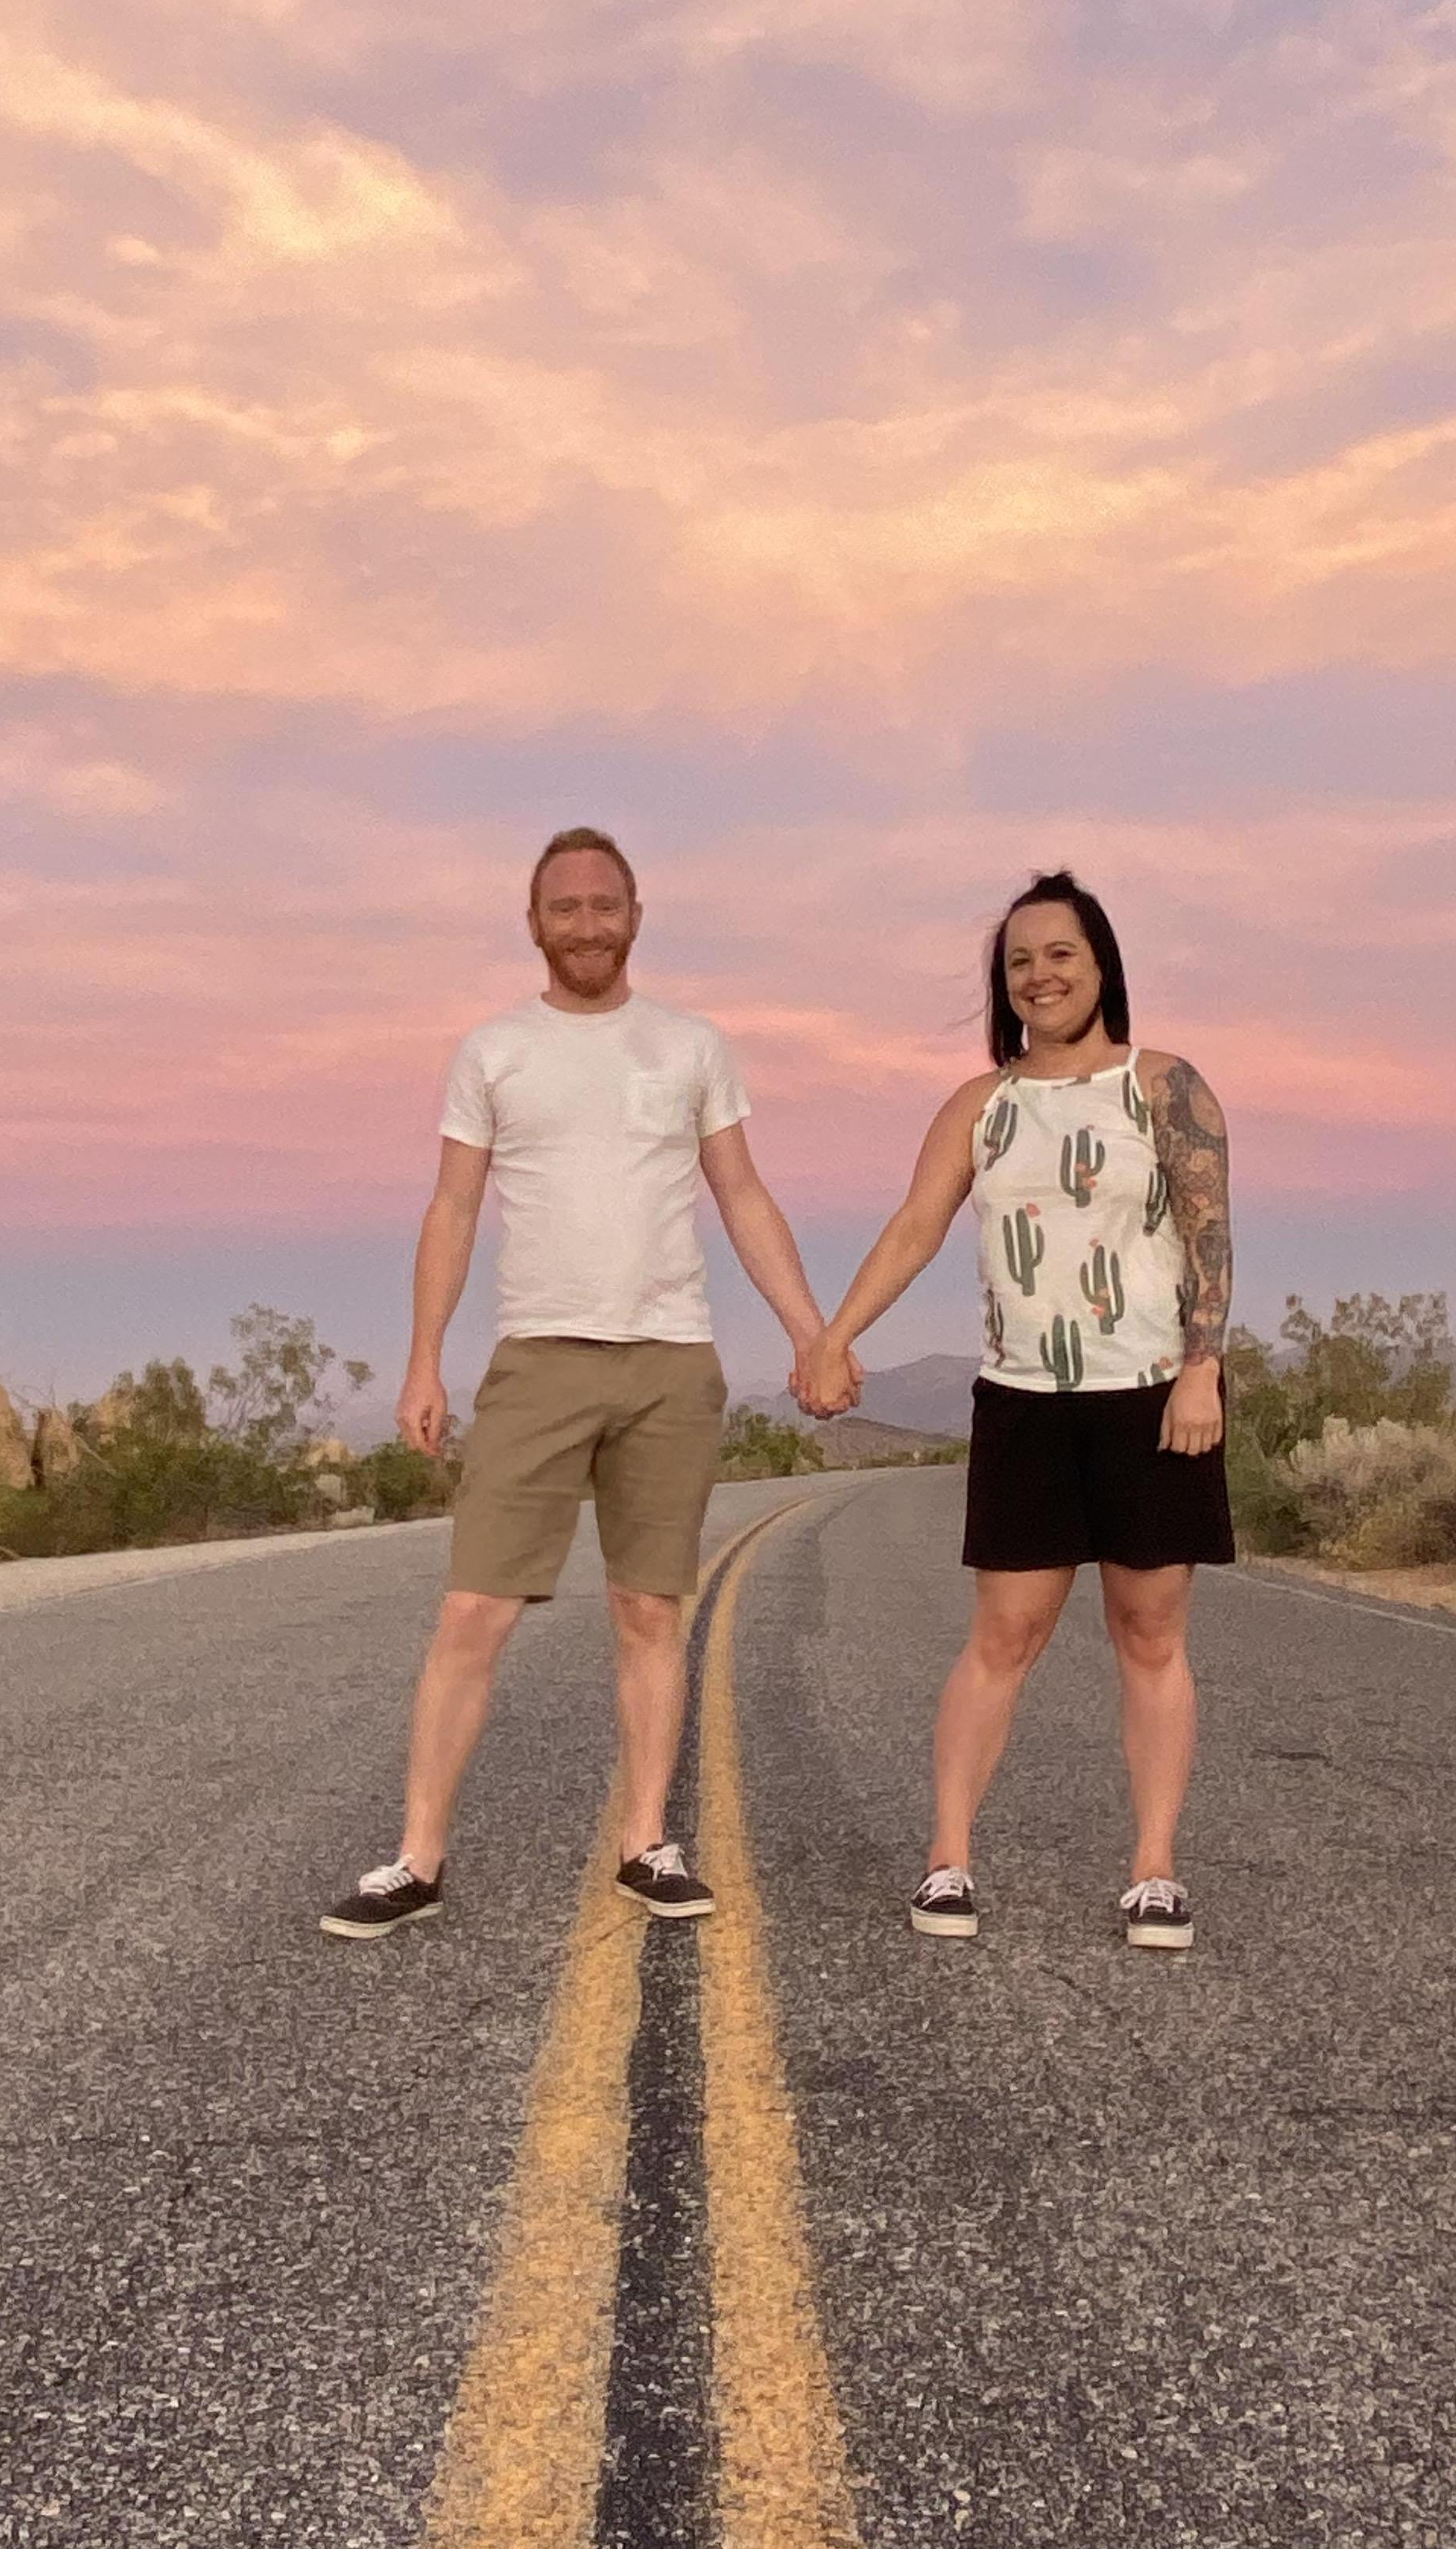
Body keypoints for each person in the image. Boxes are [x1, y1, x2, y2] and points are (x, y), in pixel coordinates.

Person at [320, 827, 843, 1940]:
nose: (589, 924)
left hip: (669, 1359)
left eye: (608, 905)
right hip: (538, 1358)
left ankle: (645, 1843)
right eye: (568, 907)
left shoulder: (691, 1046)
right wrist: (427, 1356)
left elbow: (743, 1194)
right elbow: (453, 1207)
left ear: (637, 916)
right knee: (474, 1609)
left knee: (651, 1608)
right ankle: (417, 1858)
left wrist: (812, 1332)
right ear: (535, 923)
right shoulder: (494, 1053)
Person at [797, 870, 1233, 1949]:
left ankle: (1154, 1871)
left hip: (1149, 1401)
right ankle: (948, 1860)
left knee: (1149, 1633)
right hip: (1026, 1402)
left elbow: (1210, 1233)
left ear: (1100, 967)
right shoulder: (980, 1108)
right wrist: (835, 1334)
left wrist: (1201, 1367)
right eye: (1021, 963)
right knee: (1004, 1634)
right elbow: (914, 1227)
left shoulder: (1167, 1087)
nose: (1040, 977)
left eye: (1060, 956)